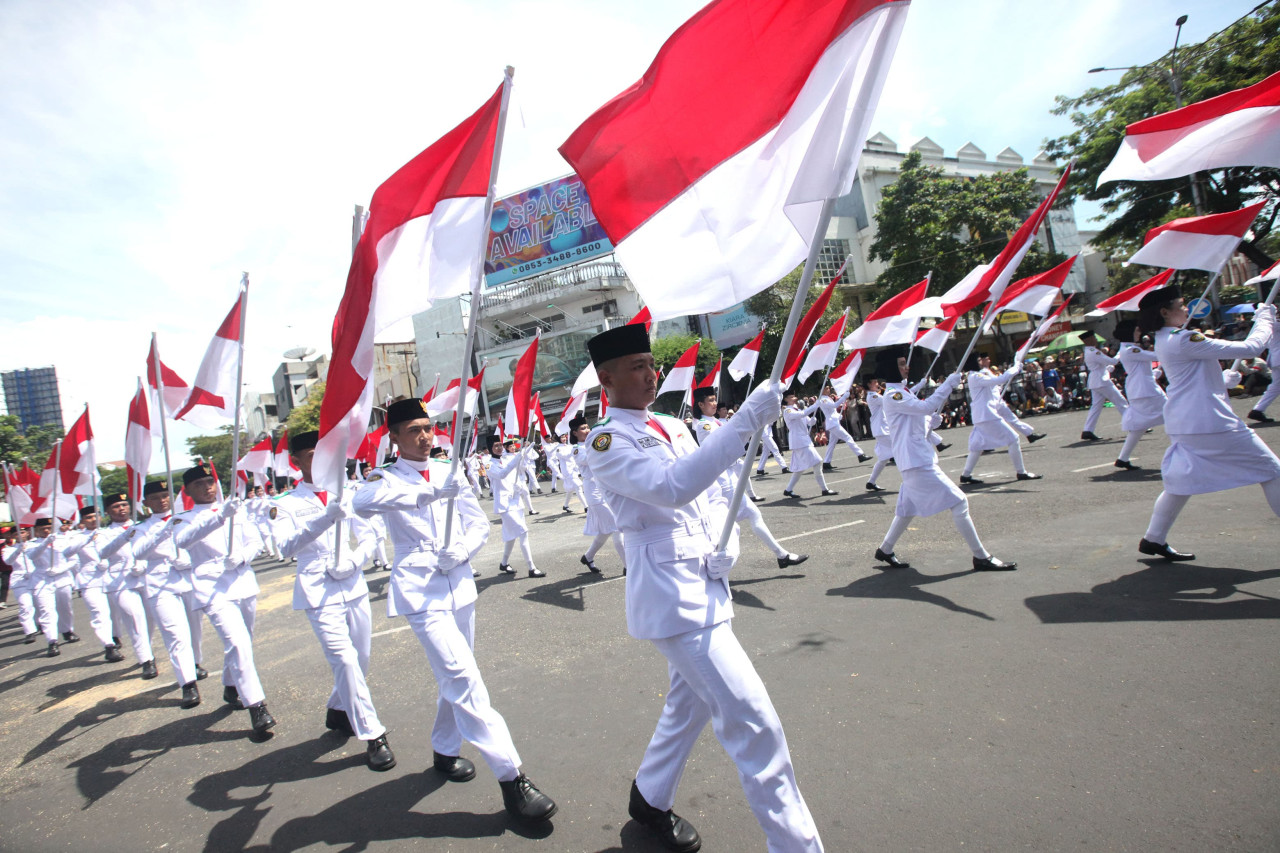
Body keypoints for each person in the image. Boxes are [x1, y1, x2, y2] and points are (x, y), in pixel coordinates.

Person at [585, 323, 824, 853]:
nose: (651, 374)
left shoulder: (671, 425)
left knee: (687, 703)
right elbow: (670, 488)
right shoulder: (604, 441)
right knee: (755, 725)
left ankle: (649, 798)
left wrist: (727, 540)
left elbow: (716, 489)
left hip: (707, 579)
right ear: (606, 378)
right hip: (673, 596)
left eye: (651, 363)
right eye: (636, 366)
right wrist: (742, 423)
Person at [352, 397, 557, 823]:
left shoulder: (449, 469)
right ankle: (512, 777)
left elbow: (478, 522)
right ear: (394, 437)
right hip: (419, 590)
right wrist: (428, 492)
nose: (425, 436)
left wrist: (461, 549)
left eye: (428, 427)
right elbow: (364, 502)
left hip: (458, 581)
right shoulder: (384, 476)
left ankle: (445, 751)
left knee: (456, 672)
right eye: (414, 430)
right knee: (463, 676)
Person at [273, 430, 393, 770]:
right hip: (318, 588)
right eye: (312, 455)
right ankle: (372, 735)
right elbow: (284, 547)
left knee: (362, 657)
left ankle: (339, 708)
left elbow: (372, 533)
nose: (321, 460)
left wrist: (357, 560)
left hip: (352, 581)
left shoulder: (347, 491)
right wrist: (326, 517)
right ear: (296, 462)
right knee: (344, 660)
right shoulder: (285, 505)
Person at [1135, 288, 1280, 560]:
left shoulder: (1167, 339)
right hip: (1210, 422)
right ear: (1165, 311)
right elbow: (1252, 347)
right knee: (1272, 471)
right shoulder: (1185, 338)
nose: (1187, 308)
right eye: (1181, 304)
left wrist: (1221, 382)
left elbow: (1190, 376)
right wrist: (1265, 319)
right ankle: (1153, 538)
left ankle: (1153, 538)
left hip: (1186, 421)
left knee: (1181, 482)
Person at [873, 347, 1016, 572]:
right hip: (916, 461)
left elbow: (913, 422)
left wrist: (930, 422)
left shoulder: (902, 391)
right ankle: (981, 556)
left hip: (915, 459)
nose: (906, 367)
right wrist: (947, 384)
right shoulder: (894, 395)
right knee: (959, 502)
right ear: (892, 368)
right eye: (901, 364)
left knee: (906, 510)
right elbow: (925, 407)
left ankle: (886, 549)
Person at [173, 463, 276, 738]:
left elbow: (254, 541)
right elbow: (184, 541)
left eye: (210, 482)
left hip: (241, 579)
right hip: (211, 587)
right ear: (188, 491)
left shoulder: (236, 509)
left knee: (245, 640)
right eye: (199, 484)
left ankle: (231, 685)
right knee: (237, 642)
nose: (207, 487)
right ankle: (257, 706)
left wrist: (242, 556)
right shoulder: (183, 518)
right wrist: (218, 518)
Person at [692, 387, 808, 569]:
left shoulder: (717, 422)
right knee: (722, 528)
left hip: (730, 477)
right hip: (723, 481)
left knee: (750, 516)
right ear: (700, 404)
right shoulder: (703, 425)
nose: (715, 404)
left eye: (715, 400)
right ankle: (708, 566)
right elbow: (719, 449)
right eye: (711, 400)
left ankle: (781, 555)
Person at [129, 485, 203, 708]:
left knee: (194, 631)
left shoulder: (185, 518)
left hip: (189, 579)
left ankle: (195, 663)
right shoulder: (141, 528)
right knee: (175, 634)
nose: (161, 501)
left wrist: (188, 560)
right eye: (155, 498)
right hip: (160, 584)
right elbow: (138, 551)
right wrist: (163, 532)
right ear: (146, 503)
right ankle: (187, 683)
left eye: (164, 496)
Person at [959, 353, 1042, 485]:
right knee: (1013, 438)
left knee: (977, 446)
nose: (981, 362)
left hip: (981, 415)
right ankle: (1021, 472)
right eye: (979, 360)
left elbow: (996, 384)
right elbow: (1000, 380)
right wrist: (1015, 368)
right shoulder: (976, 376)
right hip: (987, 415)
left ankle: (966, 475)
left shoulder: (976, 375)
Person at [62, 504, 125, 663]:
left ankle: (115, 636)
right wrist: (88, 538)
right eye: (88, 517)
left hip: (110, 577)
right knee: (99, 612)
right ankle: (108, 646)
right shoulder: (77, 536)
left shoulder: (108, 532)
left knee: (114, 612)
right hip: (90, 580)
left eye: (95, 516)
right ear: (82, 520)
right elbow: (68, 552)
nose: (93, 520)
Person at [570, 415, 626, 573]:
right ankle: (629, 566)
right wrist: (602, 442)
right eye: (582, 428)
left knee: (605, 530)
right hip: (593, 491)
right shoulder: (577, 449)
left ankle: (588, 557)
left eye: (587, 427)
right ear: (575, 433)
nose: (587, 430)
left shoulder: (593, 443)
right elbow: (590, 459)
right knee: (616, 526)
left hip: (606, 487)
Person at [487, 436, 544, 578]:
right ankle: (532, 568)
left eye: (500, 445)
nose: (499, 448)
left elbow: (520, 470)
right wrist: (516, 458)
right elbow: (501, 474)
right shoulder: (488, 464)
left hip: (516, 501)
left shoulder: (507, 459)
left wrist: (524, 454)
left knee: (511, 535)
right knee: (523, 532)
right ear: (490, 449)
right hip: (504, 505)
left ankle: (504, 563)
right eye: (496, 446)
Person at [1113, 319, 1165, 470]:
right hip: (1145, 389)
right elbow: (1155, 357)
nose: (1139, 333)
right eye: (1136, 330)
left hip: (1142, 388)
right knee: (1174, 414)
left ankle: (1123, 458)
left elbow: (1142, 366)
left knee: (1139, 427)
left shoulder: (1131, 348)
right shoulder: (1130, 349)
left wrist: (1154, 373)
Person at [27, 516, 79, 655]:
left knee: (65, 608)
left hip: (61, 578)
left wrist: (61, 569)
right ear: (36, 531)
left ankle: (67, 630)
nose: (46, 531)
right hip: (42, 580)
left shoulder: (63, 541)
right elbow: (33, 556)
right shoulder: (31, 544)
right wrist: (45, 544)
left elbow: (74, 560)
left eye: (48, 528)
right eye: (42, 529)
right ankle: (52, 641)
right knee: (46, 611)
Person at [781, 392, 836, 498]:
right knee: (817, 462)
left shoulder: (798, 409)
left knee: (799, 469)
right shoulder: (788, 410)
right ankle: (824, 489)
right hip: (799, 441)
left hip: (803, 440)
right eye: (791, 397)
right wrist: (814, 406)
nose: (794, 397)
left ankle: (788, 490)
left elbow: (808, 421)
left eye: (794, 396)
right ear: (786, 399)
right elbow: (802, 415)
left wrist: (812, 420)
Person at [1081, 331, 1129, 440]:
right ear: (1088, 340)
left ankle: (1088, 430)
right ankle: (1134, 424)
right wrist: (1121, 351)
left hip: (1096, 381)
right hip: (1102, 381)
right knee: (1121, 401)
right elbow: (1113, 361)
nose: (1096, 340)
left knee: (1096, 407)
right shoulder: (1093, 352)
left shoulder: (1090, 351)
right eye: (1093, 337)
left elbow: (1101, 365)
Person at [2, 527, 41, 643]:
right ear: (13, 536)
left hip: (36, 577)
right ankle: (29, 631)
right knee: (25, 606)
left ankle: (41, 624)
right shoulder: (8, 549)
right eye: (16, 533)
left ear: (27, 533)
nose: (20, 535)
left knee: (39, 604)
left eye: (22, 532)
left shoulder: (35, 545)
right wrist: (18, 550)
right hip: (20, 580)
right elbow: (8, 561)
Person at [817, 385, 870, 471]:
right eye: (826, 388)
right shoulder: (823, 399)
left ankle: (826, 462)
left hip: (834, 422)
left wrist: (837, 415)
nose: (829, 389)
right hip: (833, 423)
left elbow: (832, 411)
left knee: (832, 444)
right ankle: (860, 455)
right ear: (822, 390)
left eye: (828, 388)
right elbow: (834, 406)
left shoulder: (827, 398)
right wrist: (844, 397)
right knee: (847, 437)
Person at [1247, 314, 1280, 422]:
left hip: (1275, 359)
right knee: (1275, 387)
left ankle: (1257, 410)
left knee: (1275, 387)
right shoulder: (1274, 325)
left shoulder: (1266, 326)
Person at [864, 378, 895, 493]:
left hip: (882, 430)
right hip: (882, 430)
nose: (877, 384)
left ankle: (871, 482)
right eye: (875, 382)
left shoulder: (874, 395)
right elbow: (889, 400)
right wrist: (892, 388)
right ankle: (911, 481)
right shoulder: (873, 396)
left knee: (883, 459)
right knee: (900, 451)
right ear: (869, 384)